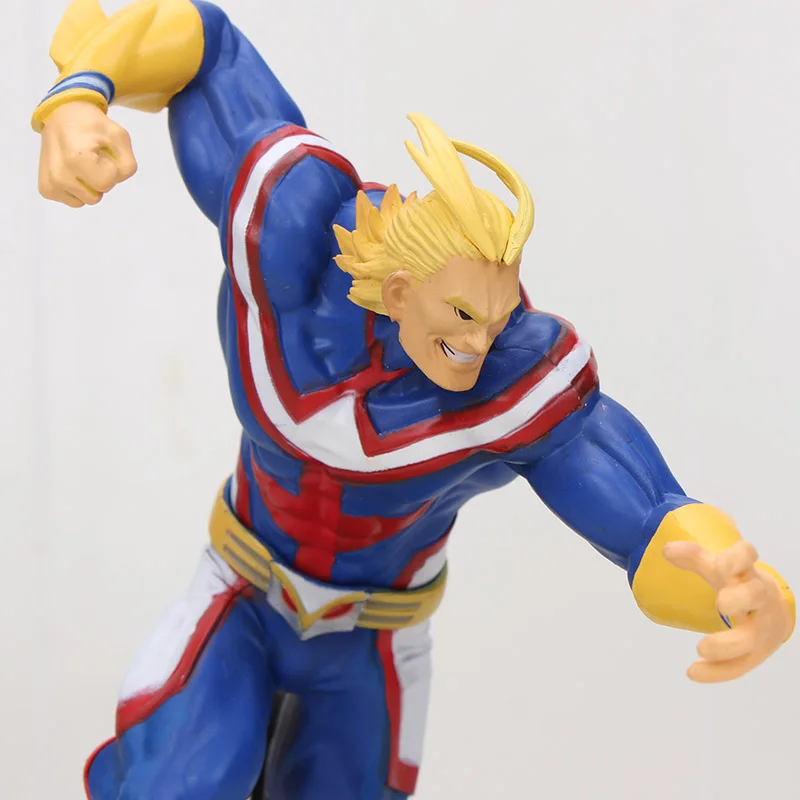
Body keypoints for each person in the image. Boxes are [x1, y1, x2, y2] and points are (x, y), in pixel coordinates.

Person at [32, 1, 795, 798]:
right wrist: (82, 92)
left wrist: (742, 593)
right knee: (185, 781)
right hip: (241, 596)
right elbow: (207, 47)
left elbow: (645, 514)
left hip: (373, 638)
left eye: (497, 317)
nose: (480, 343)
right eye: (461, 317)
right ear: (398, 291)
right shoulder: (292, 242)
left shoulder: (513, 377)